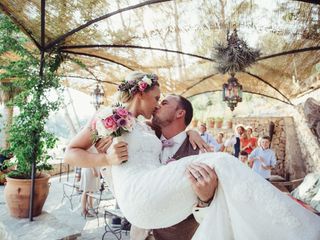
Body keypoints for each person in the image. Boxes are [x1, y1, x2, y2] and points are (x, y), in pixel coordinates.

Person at [65, 72, 320, 240]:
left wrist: (206, 194)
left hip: (175, 224)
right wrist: (105, 160)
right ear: (140, 93)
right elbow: (72, 152)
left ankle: (281, 223)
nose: (157, 104)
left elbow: (165, 138)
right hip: (142, 214)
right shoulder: (111, 118)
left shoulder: (149, 129)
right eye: (157, 98)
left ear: (179, 115)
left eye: (163, 102)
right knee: (221, 160)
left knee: (220, 163)